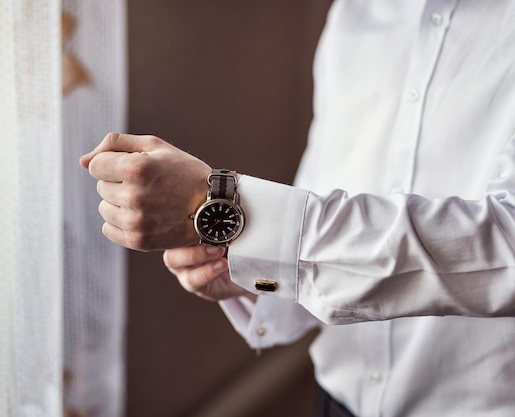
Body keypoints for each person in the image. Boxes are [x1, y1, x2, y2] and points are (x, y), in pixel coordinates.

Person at [80, 1, 515, 416]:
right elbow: (327, 198)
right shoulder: (355, 13)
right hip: (334, 399)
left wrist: (230, 211)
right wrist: (250, 269)